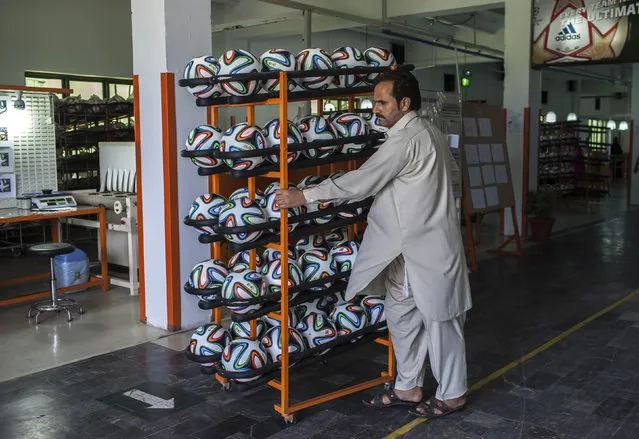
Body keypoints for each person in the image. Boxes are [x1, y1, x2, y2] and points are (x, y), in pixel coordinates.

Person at [275, 70, 472, 419]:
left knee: (441, 321)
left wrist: (304, 195)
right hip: (407, 250)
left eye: (381, 102)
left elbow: (362, 182)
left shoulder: (408, 138)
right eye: (374, 102)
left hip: (425, 248)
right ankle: (408, 387)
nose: (374, 109)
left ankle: (453, 394)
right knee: (402, 316)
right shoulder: (426, 132)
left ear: (405, 103)